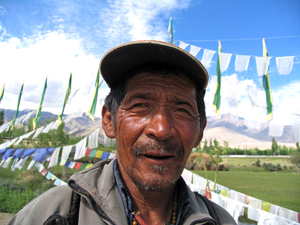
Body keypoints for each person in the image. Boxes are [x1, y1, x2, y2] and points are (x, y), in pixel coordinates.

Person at [9, 40, 236, 225]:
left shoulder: (219, 221)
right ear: (110, 121)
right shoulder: (51, 216)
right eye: (140, 106)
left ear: (200, 131)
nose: (161, 129)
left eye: (182, 110)